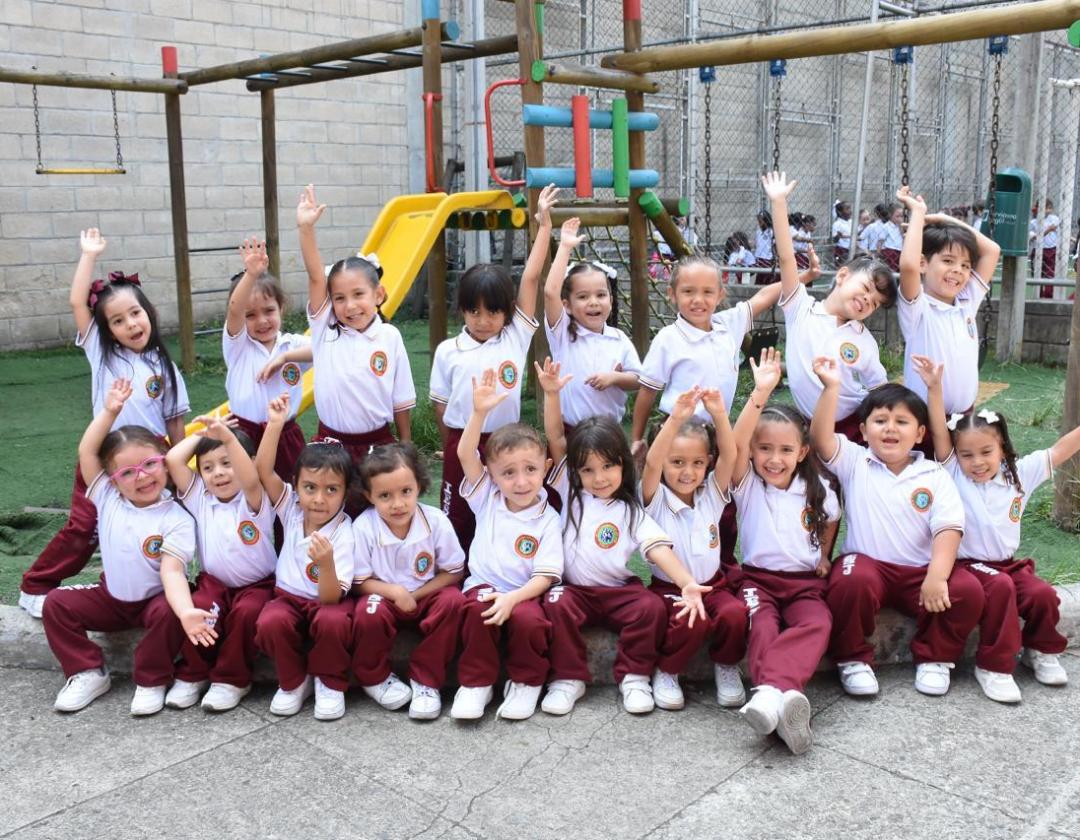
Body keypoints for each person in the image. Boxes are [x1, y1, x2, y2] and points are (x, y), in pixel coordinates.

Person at [20, 228, 189, 618]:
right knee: (84, 528)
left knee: (144, 529)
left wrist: (180, 474)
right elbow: (77, 301)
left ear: (149, 313)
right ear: (107, 330)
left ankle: (140, 587)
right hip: (102, 462)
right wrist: (88, 255)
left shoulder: (165, 367)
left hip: (147, 465)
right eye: (117, 321)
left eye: (135, 313)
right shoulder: (102, 354)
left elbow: (176, 426)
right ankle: (36, 585)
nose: (130, 324)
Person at [540, 362, 709, 716]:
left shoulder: (631, 508)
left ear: (623, 464)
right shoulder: (569, 490)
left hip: (618, 591)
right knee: (555, 602)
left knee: (649, 608)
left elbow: (658, 548)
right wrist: (552, 394)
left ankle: (634, 676)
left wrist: (686, 582)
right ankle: (568, 679)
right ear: (575, 472)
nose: (599, 478)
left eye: (608, 467)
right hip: (577, 592)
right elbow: (556, 438)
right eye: (588, 470)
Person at [809, 366, 983, 698]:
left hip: (919, 573)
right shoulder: (855, 462)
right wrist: (831, 387)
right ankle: (852, 659)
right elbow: (821, 438)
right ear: (863, 430)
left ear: (919, 433)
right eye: (880, 421)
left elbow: (948, 528)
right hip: (868, 567)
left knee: (968, 590)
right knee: (848, 579)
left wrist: (936, 575)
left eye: (901, 422)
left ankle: (936, 658)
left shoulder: (933, 474)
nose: (890, 429)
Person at [914, 356, 1077, 702]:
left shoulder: (1019, 474)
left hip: (1008, 562)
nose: (977, 462)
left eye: (986, 452)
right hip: (967, 565)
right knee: (1000, 586)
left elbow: (1061, 449)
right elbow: (940, 431)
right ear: (956, 456)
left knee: (1042, 595)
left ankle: (1042, 651)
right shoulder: (952, 472)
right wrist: (934, 388)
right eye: (967, 455)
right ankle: (994, 666)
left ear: (1002, 447)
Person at [43, 379, 197, 715]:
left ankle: (152, 679)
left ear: (165, 462)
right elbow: (87, 451)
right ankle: (87, 672)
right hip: (111, 598)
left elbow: (172, 572)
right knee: (55, 603)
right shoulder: (108, 499)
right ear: (112, 480)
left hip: (155, 600)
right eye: (127, 472)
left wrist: (184, 609)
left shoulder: (178, 517)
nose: (141, 477)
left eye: (149, 465)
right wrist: (110, 411)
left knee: (173, 607)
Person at [430, 184, 557, 549]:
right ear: (463, 310)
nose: (483, 320)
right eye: (474, 311)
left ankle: (504, 570)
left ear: (507, 311)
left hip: (508, 443)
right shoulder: (448, 351)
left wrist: (545, 226)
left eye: (493, 311)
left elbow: (531, 277)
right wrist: (451, 444)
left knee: (508, 510)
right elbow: (441, 406)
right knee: (459, 517)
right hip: (462, 444)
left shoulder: (514, 337)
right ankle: (456, 578)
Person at [729, 350, 841, 755]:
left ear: (803, 452)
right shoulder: (747, 485)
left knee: (818, 624)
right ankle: (783, 699)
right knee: (762, 629)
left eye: (785, 450)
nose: (774, 459)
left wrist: (825, 556)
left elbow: (830, 520)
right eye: (764, 449)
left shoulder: (818, 489)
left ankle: (770, 699)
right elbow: (735, 443)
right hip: (759, 582)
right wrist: (760, 394)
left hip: (805, 585)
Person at [291, 184, 416, 512]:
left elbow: (401, 400)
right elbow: (316, 277)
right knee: (329, 513)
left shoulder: (390, 337)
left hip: (379, 443)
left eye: (358, 294)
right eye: (340, 298)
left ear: (378, 294)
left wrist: (405, 445)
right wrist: (306, 229)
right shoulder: (325, 331)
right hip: (331, 444)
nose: (350, 306)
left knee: (382, 515)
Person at [449, 369, 563, 721]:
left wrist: (514, 598)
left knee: (530, 622)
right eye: (508, 472)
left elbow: (546, 576)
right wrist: (479, 412)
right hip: (483, 587)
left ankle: (526, 683)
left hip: (525, 592)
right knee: (475, 611)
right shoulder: (488, 498)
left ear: (545, 468)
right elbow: (465, 453)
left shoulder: (548, 517)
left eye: (530, 469)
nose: (520, 481)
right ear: (493, 475)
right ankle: (476, 685)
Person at [762, 171, 894, 443]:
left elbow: (879, 387)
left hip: (851, 425)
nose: (869, 300)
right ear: (843, 276)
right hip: (808, 425)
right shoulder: (801, 309)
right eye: (867, 288)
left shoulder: (864, 341)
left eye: (876, 303)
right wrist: (778, 203)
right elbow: (787, 259)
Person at [640, 385, 748, 711]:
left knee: (735, 614)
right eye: (677, 462)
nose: (688, 472)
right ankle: (668, 671)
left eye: (697, 462)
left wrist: (718, 413)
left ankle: (726, 666)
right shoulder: (654, 499)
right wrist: (674, 420)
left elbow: (730, 455)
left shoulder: (711, 496)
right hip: (669, 589)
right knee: (692, 619)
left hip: (712, 585)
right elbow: (650, 463)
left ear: (707, 463)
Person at [162, 416, 276, 712]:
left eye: (228, 463)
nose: (219, 474)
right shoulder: (201, 498)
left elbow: (250, 477)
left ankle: (232, 680)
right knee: (199, 606)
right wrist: (202, 435)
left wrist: (227, 437)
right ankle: (193, 673)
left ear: (246, 462)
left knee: (246, 614)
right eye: (208, 467)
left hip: (258, 585)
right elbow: (174, 459)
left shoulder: (255, 499)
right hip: (214, 583)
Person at [253, 395, 356, 721]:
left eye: (331, 489)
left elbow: (331, 597)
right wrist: (274, 424)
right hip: (287, 598)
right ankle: (294, 680)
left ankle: (329, 681)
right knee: (270, 621)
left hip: (326, 603)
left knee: (333, 621)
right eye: (309, 487)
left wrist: (326, 564)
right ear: (295, 485)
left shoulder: (344, 530)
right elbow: (263, 470)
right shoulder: (291, 509)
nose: (318, 499)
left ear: (345, 492)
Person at [351, 443, 466, 721]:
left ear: (419, 486)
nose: (398, 503)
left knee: (454, 602)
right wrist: (393, 591)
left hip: (425, 596)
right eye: (385, 495)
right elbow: (359, 581)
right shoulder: (363, 527)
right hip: (384, 597)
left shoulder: (436, 521)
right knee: (368, 612)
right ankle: (375, 677)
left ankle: (426, 680)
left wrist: (417, 595)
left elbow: (454, 572)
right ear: (369, 495)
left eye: (406, 491)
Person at [895, 186, 1001, 421]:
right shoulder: (918, 308)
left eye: (965, 265)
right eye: (948, 261)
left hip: (965, 416)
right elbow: (908, 266)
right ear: (924, 264)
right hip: (925, 419)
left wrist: (945, 220)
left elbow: (992, 251)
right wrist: (918, 215)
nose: (958, 270)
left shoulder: (966, 301)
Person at [222, 237, 310, 482]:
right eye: (251, 315)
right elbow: (234, 310)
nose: (262, 321)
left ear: (281, 308)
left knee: (289, 490)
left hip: (285, 433)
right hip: (244, 434)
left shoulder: (291, 344)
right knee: (248, 494)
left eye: (269, 311)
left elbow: (325, 349)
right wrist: (250, 275)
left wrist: (284, 358)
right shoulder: (237, 345)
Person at [543, 217, 641, 430]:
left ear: (611, 300)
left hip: (609, 433)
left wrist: (615, 378)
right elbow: (551, 292)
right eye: (583, 297)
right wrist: (565, 247)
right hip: (570, 430)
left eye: (600, 294)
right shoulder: (563, 334)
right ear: (567, 305)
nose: (593, 302)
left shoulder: (619, 339)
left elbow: (638, 379)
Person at [1028, 200, 1060, 298]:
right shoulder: (1033, 222)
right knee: (1038, 274)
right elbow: (1034, 237)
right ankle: (1038, 296)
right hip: (1037, 250)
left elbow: (1055, 228)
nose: (1048, 210)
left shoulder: (1054, 218)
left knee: (1050, 274)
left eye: (1050, 208)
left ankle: (1048, 296)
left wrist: (1046, 231)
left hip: (1051, 249)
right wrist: (1048, 230)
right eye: (1046, 208)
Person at [878, 203, 904, 271]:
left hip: (900, 251)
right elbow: (880, 241)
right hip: (890, 251)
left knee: (899, 269)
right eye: (897, 216)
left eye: (901, 216)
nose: (900, 218)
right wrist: (879, 253)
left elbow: (903, 237)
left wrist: (901, 226)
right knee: (892, 270)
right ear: (890, 215)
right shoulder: (886, 226)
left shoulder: (901, 226)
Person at [753, 210, 775, 284]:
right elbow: (757, 243)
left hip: (767, 259)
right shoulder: (758, 231)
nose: (759, 222)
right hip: (758, 258)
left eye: (760, 220)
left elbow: (773, 245)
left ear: (766, 220)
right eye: (758, 220)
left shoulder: (771, 231)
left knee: (765, 278)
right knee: (759, 278)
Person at [832, 201, 852, 267]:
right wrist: (838, 236)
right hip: (842, 250)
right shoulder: (837, 224)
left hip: (851, 249)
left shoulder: (851, 222)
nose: (850, 211)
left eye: (850, 208)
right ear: (840, 212)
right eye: (847, 209)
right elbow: (834, 240)